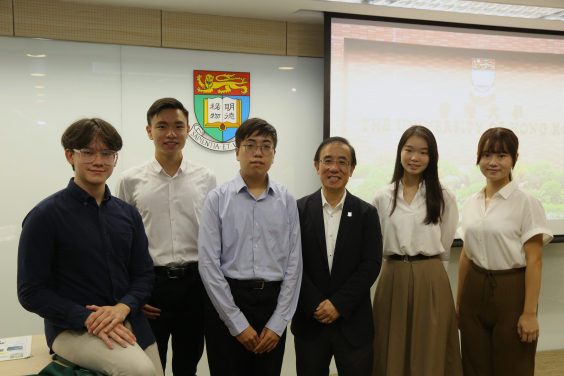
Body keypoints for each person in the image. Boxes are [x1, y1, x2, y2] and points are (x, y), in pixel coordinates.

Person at [17, 118, 162, 376]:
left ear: (115, 159)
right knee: (140, 372)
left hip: (128, 319)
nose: (99, 161)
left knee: (155, 371)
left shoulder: (128, 214)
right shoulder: (44, 216)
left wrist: (124, 307)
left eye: (107, 153)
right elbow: (31, 291)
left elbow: (144, 274)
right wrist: (86, 317)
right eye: (88, 152)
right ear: (69, 155)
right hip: (73, 327)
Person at [115, 98, 216, 375]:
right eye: (162, 126)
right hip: (150, 285)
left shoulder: (206, 178)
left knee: (188, 364)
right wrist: (131, 294)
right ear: (149, 131)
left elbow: (213, 235)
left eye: (178, 126)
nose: (171, 133)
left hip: (196, 284)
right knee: (150, 365)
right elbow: (121, 242)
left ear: (187, 130)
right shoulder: (130, 180)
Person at [198, 118, 302, 376]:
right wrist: (236, 322)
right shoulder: (217, 199)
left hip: (272, 303)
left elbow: (294, 262)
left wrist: (279, 323)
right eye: (250, 145)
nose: (258, 153)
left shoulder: (286, 199)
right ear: (236, 152)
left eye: (266, 146)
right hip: (228, 300)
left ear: (274, 155)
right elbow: (209, 264)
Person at [457, 127, 553, 376]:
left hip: (512, 290)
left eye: (502, 156)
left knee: (513, 365)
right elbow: (466, 255)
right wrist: (459, 304)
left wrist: (529, 313)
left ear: (514, 159)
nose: (493, 162)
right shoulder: (470, 203)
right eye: (487, 154)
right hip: (473, 289)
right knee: (473, 364)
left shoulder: (526, 201)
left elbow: (535, 261)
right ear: (478, 156)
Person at [371, 125, 463, 376]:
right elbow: (375, 244)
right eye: (409, 150)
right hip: (392, 275)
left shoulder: (444, 197)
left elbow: (445, 250)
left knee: (430, 345)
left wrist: (437, 285)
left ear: (431, 157)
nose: (415, 157)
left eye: (423, 152)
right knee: (390, 342)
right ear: (400, 152)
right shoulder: (382, 196)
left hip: (431, 276)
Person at [291, 137, 382, 376]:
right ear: (316, 166)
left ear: (351, 169)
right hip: (310, 321)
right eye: (328, 161)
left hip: (353, 323)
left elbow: (371, 265)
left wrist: (338, 304)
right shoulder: (297, 210)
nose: (334, 168)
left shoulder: (367, 213)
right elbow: (292, 264)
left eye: (343, 162)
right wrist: (316, 305)